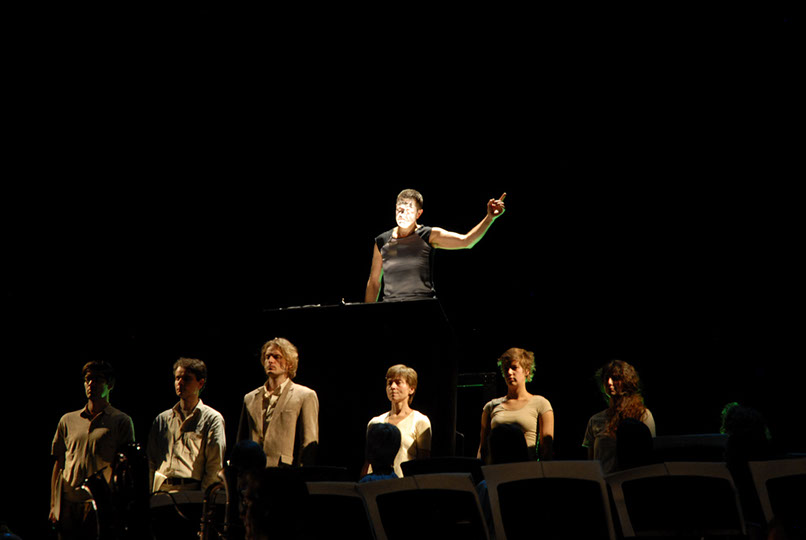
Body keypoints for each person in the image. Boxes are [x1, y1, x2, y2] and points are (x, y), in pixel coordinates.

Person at [364, 189, 507, 303]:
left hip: (423, 306)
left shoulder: (428, 235)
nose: (403, 214)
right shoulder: (382, 241)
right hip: (391, 309)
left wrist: (489, 218)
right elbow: (374, 282)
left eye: (409, 210)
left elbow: (466, 241)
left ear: (418, 213)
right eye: (400, 209)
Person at [50, 360, 136, 540]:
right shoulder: (68, 420)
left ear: (110, 385)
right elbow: (59, 462)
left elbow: (125, 468)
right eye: (88, 379)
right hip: (68, 502)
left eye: (97, 379)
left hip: (100, 503)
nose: (91, 384)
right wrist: (53, 505)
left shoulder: (121, 420)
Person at [147, 357, 226, 493]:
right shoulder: (162, 420)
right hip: (162, 491)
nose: (180, 383)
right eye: (177, 378)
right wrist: (150, 493)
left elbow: (214, 464)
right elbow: (151, 461)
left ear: (200, 383)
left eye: (187, 379)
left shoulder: (212, 419)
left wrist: (204, 497)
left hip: (191, 491)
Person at [237, 337, 319, 467]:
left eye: (277, 357)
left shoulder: (304, 395)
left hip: (284, 471)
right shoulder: (250, 398)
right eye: (267, 357)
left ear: (289, 363)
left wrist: (303, 474)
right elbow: (241, 441)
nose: (270, 360)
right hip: (253, 471)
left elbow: (309, 442)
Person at [478, 348, 554, 463]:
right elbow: (483, 448)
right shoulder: (491, 406)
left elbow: (546, 448)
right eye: (506, 368)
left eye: (514, 367)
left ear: (526, 370)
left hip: (525, 468)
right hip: (497, 468)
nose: (509, 372)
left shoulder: (540, 403)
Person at [582, 359, 656, 474]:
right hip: (604, 482)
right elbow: (591, 462)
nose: (609, 382)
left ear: (626, 381)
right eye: (606, 379)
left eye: (615, 378)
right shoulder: (595, 420)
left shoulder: (642, 415)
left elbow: (650, 455)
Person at [363, 364, 432, 478]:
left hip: (404, 484)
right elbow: (368, 461)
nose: (393, 387)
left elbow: (423, 462)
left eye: (398, 382)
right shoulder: (375, 422)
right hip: (376, 483)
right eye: (390, 383)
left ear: (411, 389)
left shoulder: (420, 421)